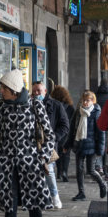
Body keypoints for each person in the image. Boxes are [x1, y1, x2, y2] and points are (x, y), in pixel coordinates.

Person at [0, 69, 54, 217]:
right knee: (9, 208)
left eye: (4, 89)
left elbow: (50, 136)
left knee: (34, 205)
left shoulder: (35, 104)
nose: (1, 91)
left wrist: (42, 157)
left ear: (15, 91)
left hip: (30, 164)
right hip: (6, 165)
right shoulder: (0, 107)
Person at [31, 80, 70, 208]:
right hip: (32, 145)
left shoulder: (56, 105)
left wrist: (54, 138)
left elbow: (65, 126)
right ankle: (39, 197)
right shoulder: (29, 105)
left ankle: (55, 196)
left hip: (48, 145)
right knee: (35, 173)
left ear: (45, 91)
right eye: (34, 91)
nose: (36, 93)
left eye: (39, 91)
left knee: (49, 171)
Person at [68, 90, 106, 201]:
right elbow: (72, 129)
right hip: (79, 145)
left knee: (91, 170)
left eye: (88, 100)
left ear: (92, 101)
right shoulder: (78, 112)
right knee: (79, 170)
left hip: (91, 147)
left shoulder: (96, 113)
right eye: (84, 100)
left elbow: (101, 132)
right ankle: (81, 193)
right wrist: (68, 144)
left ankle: (102, 184)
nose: (85, 102)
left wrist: (100, 150)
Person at [50, 86, 75, 182]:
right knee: (66, 154)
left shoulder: (54, 105)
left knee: (58, 153)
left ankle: (59, 173)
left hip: (57, 132)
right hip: (67, 133)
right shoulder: (70, 107)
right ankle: (65, 172)